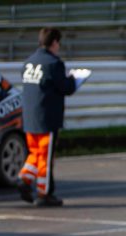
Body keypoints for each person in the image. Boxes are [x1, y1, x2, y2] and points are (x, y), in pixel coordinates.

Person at [18, 27, 85, 207]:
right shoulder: (53, 63)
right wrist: (73, 79)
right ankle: (44, 193)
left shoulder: (29, 62)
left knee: (35, 152)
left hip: (30, 117)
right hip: (47, 118)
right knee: (46, 158)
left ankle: (24, 178)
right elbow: (66, 88)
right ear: (54, 42)